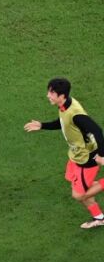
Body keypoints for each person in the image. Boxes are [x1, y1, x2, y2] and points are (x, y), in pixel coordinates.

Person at [24, 77, 104, 228]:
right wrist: (42, 125)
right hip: (76, 155)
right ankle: (99, 218)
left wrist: (101, 156)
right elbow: (63, 123)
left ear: (62, 96)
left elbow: (97, 131)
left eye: (52, 92)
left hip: (85, 159)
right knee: (82, 189)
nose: (48, 95)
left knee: (79, 195)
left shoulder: (76, 114)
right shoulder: (65, 106)